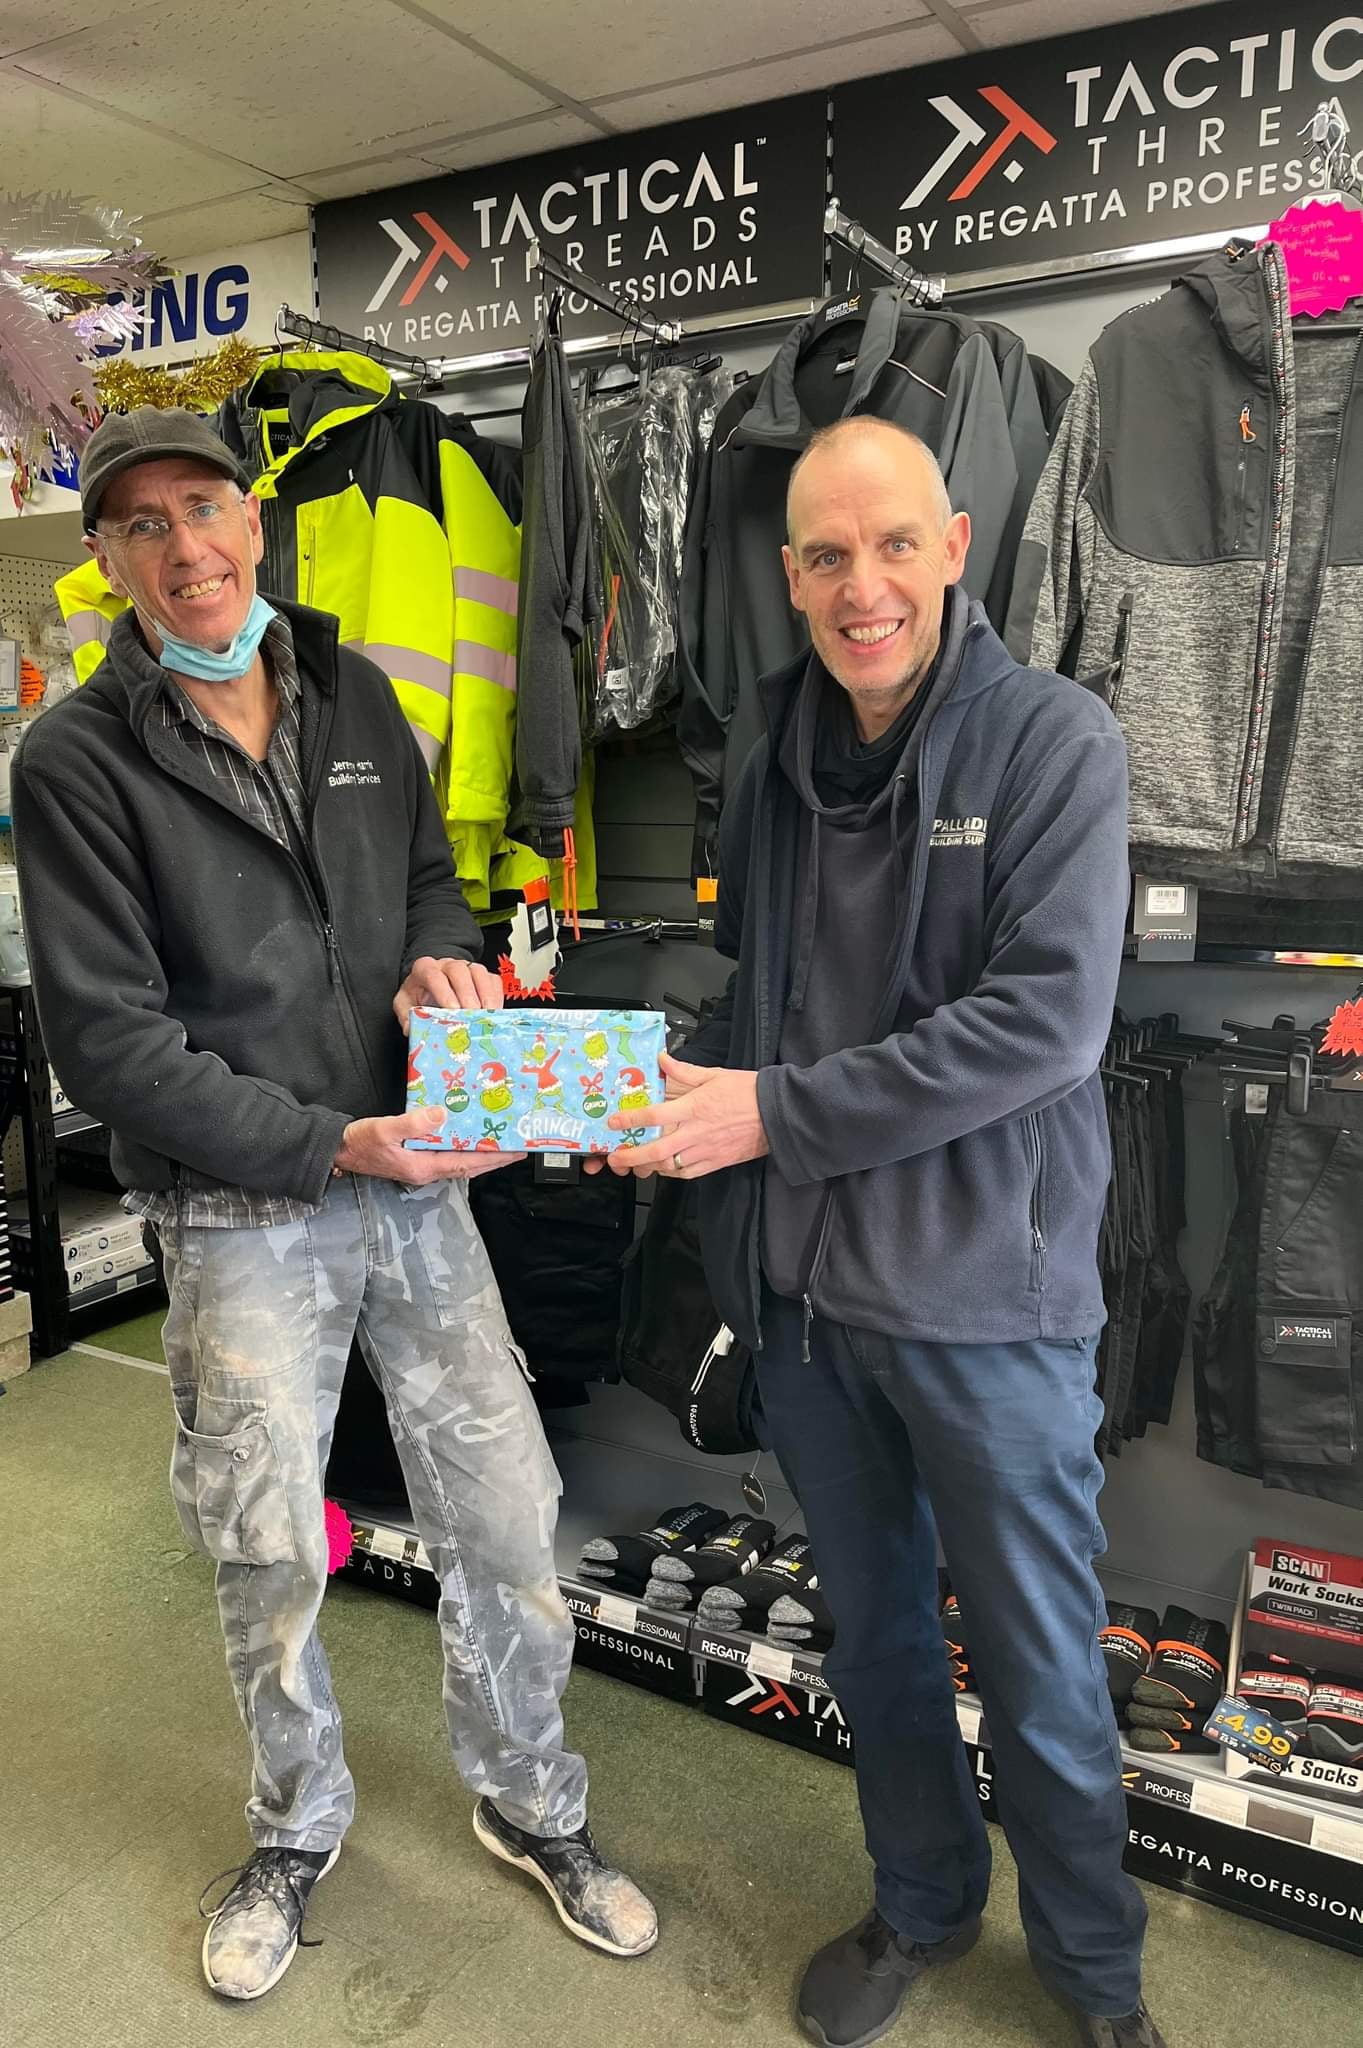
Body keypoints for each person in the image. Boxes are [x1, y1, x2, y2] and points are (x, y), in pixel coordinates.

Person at [13, 408, 656, 2005]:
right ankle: (295, 1831)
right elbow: (111, 1046)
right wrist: (329, 1145)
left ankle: (531, 1803)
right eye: (143, 523)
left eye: (205, 506)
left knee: (503, 1517)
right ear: (107, 557)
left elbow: (429, 882)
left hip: (416, 1187)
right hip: (243, 1212)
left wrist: (444, 962)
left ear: (254, 519)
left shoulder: (354, 690)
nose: (185, 545)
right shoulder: (75, 759)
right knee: (268, 1551)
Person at [602, 417, 1164, 2048]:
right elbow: (772, 1001)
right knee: (881, 1643)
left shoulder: (1055, 742)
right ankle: (922, 1903)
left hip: (991, 1307)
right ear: (790, 576)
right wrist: (649, 1090)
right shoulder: (771, 750)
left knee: (1043, 1671)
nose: (866, 588)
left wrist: (768, 1112)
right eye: (830, 557)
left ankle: (1098, 1983)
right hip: (806, 1308)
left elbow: (1043, 1027)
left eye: (896, 545)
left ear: (957, 546)